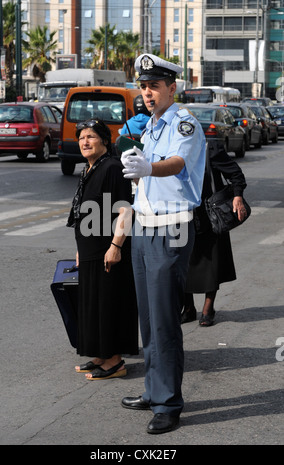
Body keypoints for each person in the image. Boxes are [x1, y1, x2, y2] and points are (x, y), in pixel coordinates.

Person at [120, 54, 206, 434]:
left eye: (154, 86)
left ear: (173, 87)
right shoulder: (152, 126)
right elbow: (149, 172)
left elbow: (177, 164)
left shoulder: (184, 123)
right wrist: (136, 170)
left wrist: (148, 168)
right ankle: (154, 391)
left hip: (171, 228)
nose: (147, 93)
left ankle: (168, 403)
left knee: (166, 319)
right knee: (149, 317)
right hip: (144, 226)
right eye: (143, 87)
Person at [67, 119, 138, 380]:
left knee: (108, 304)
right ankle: (100, 354)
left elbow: (124, 209)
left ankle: (115, 361)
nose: (85, 142)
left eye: (91, 137)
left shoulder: (111, 167)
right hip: (90, 248)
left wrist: (115, 246)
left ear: (105, 141)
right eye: (82, 137)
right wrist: (80, 248)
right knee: (93, 305)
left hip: (107, 249)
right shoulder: (90, 168)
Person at [181, 140, 248, 327]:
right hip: (182, 215)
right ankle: (187, 308)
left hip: (210, 215)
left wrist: (237, 196)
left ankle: (208, 308)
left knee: (212, 263)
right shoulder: (171, 148)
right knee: (184, 263)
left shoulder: (209, 149)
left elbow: (236, 174)